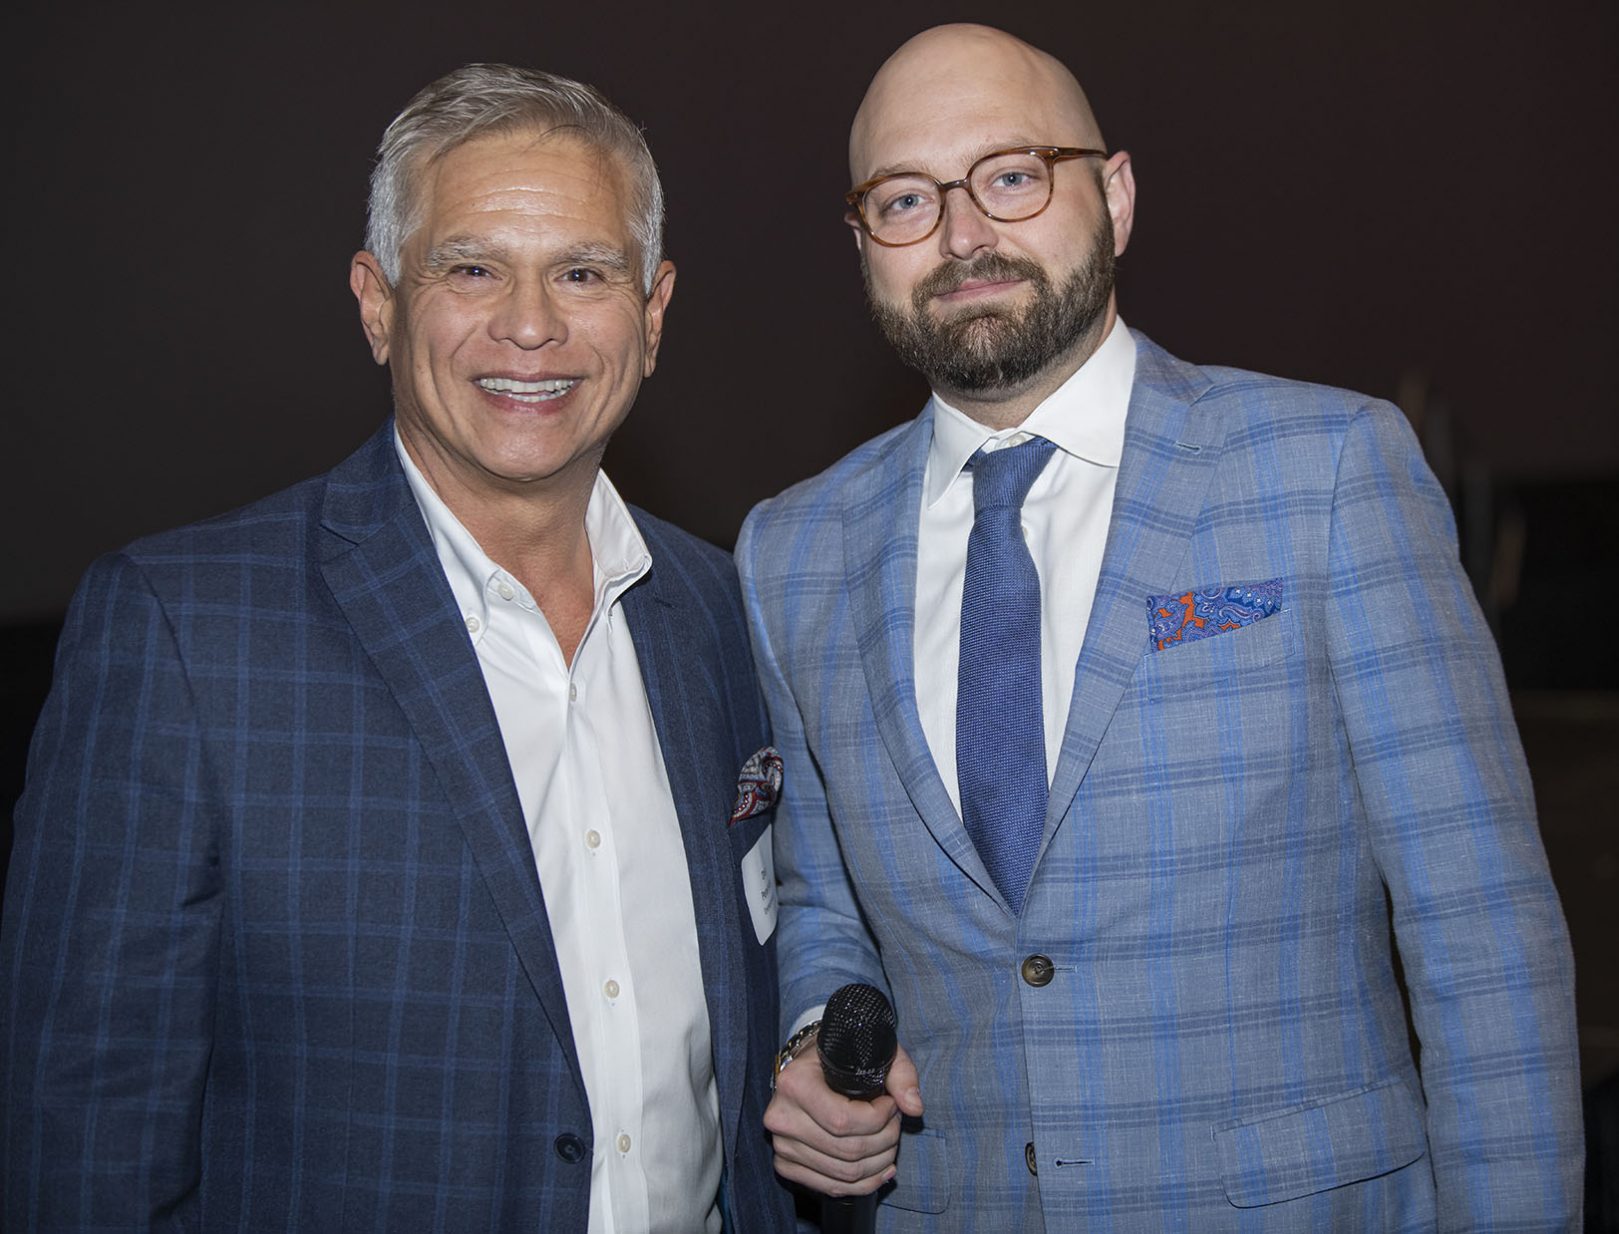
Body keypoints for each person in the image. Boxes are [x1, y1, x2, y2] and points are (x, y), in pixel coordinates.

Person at [737, 23, 1583, 1230]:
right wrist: (823, 1038)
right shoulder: (791, 548)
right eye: (906, 199)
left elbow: (1482, 935)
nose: (965, 233)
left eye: (1013, 174)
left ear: (1115, 196)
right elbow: (821, 898)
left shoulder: (1327, 471)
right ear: (862, 244)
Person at [2, 64, 792, 1233]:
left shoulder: (727, 611)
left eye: (582, 271)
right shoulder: (180, 632)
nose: (531, 324)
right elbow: (85, 1137)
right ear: (376, 303)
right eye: (471, 268)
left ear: (653, 310)